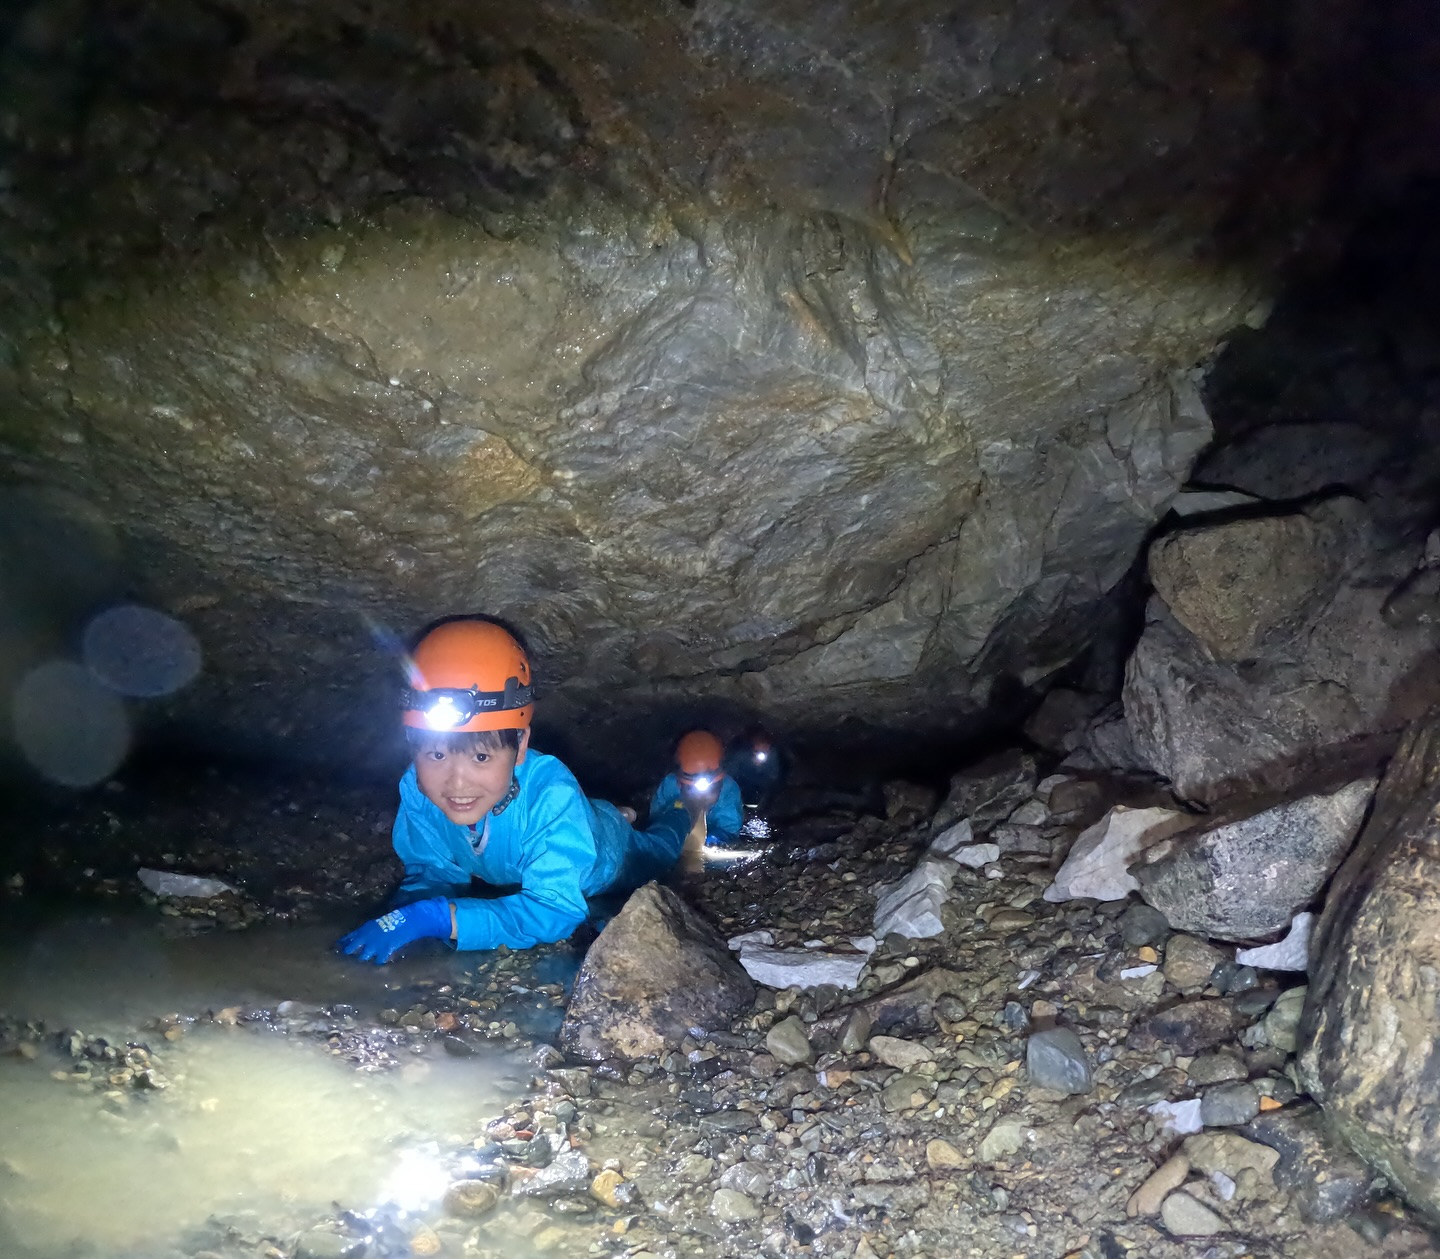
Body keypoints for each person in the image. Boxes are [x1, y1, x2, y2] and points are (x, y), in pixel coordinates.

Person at [337, 618, 703, 963]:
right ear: (410, 744)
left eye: (481, 756)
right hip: (566, 821)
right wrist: (402, 916)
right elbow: (433, 872)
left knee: (661, 848)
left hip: (614, 851)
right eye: (436, 754)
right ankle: (614, 810)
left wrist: (440, 918)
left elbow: (554, 910)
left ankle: (678, 811)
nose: (457, 782)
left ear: (521, 744)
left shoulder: (550, 795)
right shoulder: (417, 790)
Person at [649, 729, 744, 846]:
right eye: (689, 788)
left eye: (710, 788)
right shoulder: (670, 784)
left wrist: (720, 837)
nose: (700, 796)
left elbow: (731, 829)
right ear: (680, 783)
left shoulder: (729, 791)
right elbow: (655, 818)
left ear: (720, 781)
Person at [723, 725, 787, 809]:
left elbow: (774, 776)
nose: (762, 748)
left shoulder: (772, 754)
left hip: (760, 789)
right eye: (759, 744)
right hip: (742, 783)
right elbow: (731, 770)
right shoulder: (743, 753)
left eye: (765, 745)